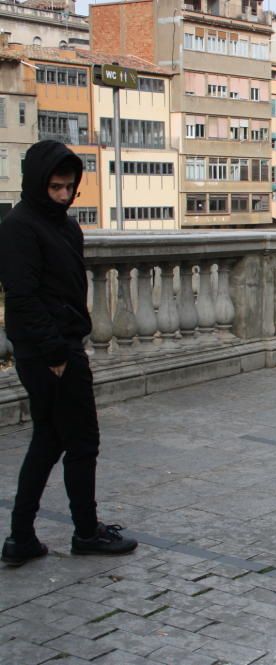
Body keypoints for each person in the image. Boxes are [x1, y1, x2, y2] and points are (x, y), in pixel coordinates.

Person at [0, 140, 137, 567]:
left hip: (60, 347)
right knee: (82, 442)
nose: (63, 195)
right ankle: (85, 533)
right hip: (50, 353)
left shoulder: (63, 224)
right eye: (56, 187)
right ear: (38, 183)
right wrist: (56, 352)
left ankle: (21, 538)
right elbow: (21, 297)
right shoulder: (19, 226)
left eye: (70, 187)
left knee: (48, 440)